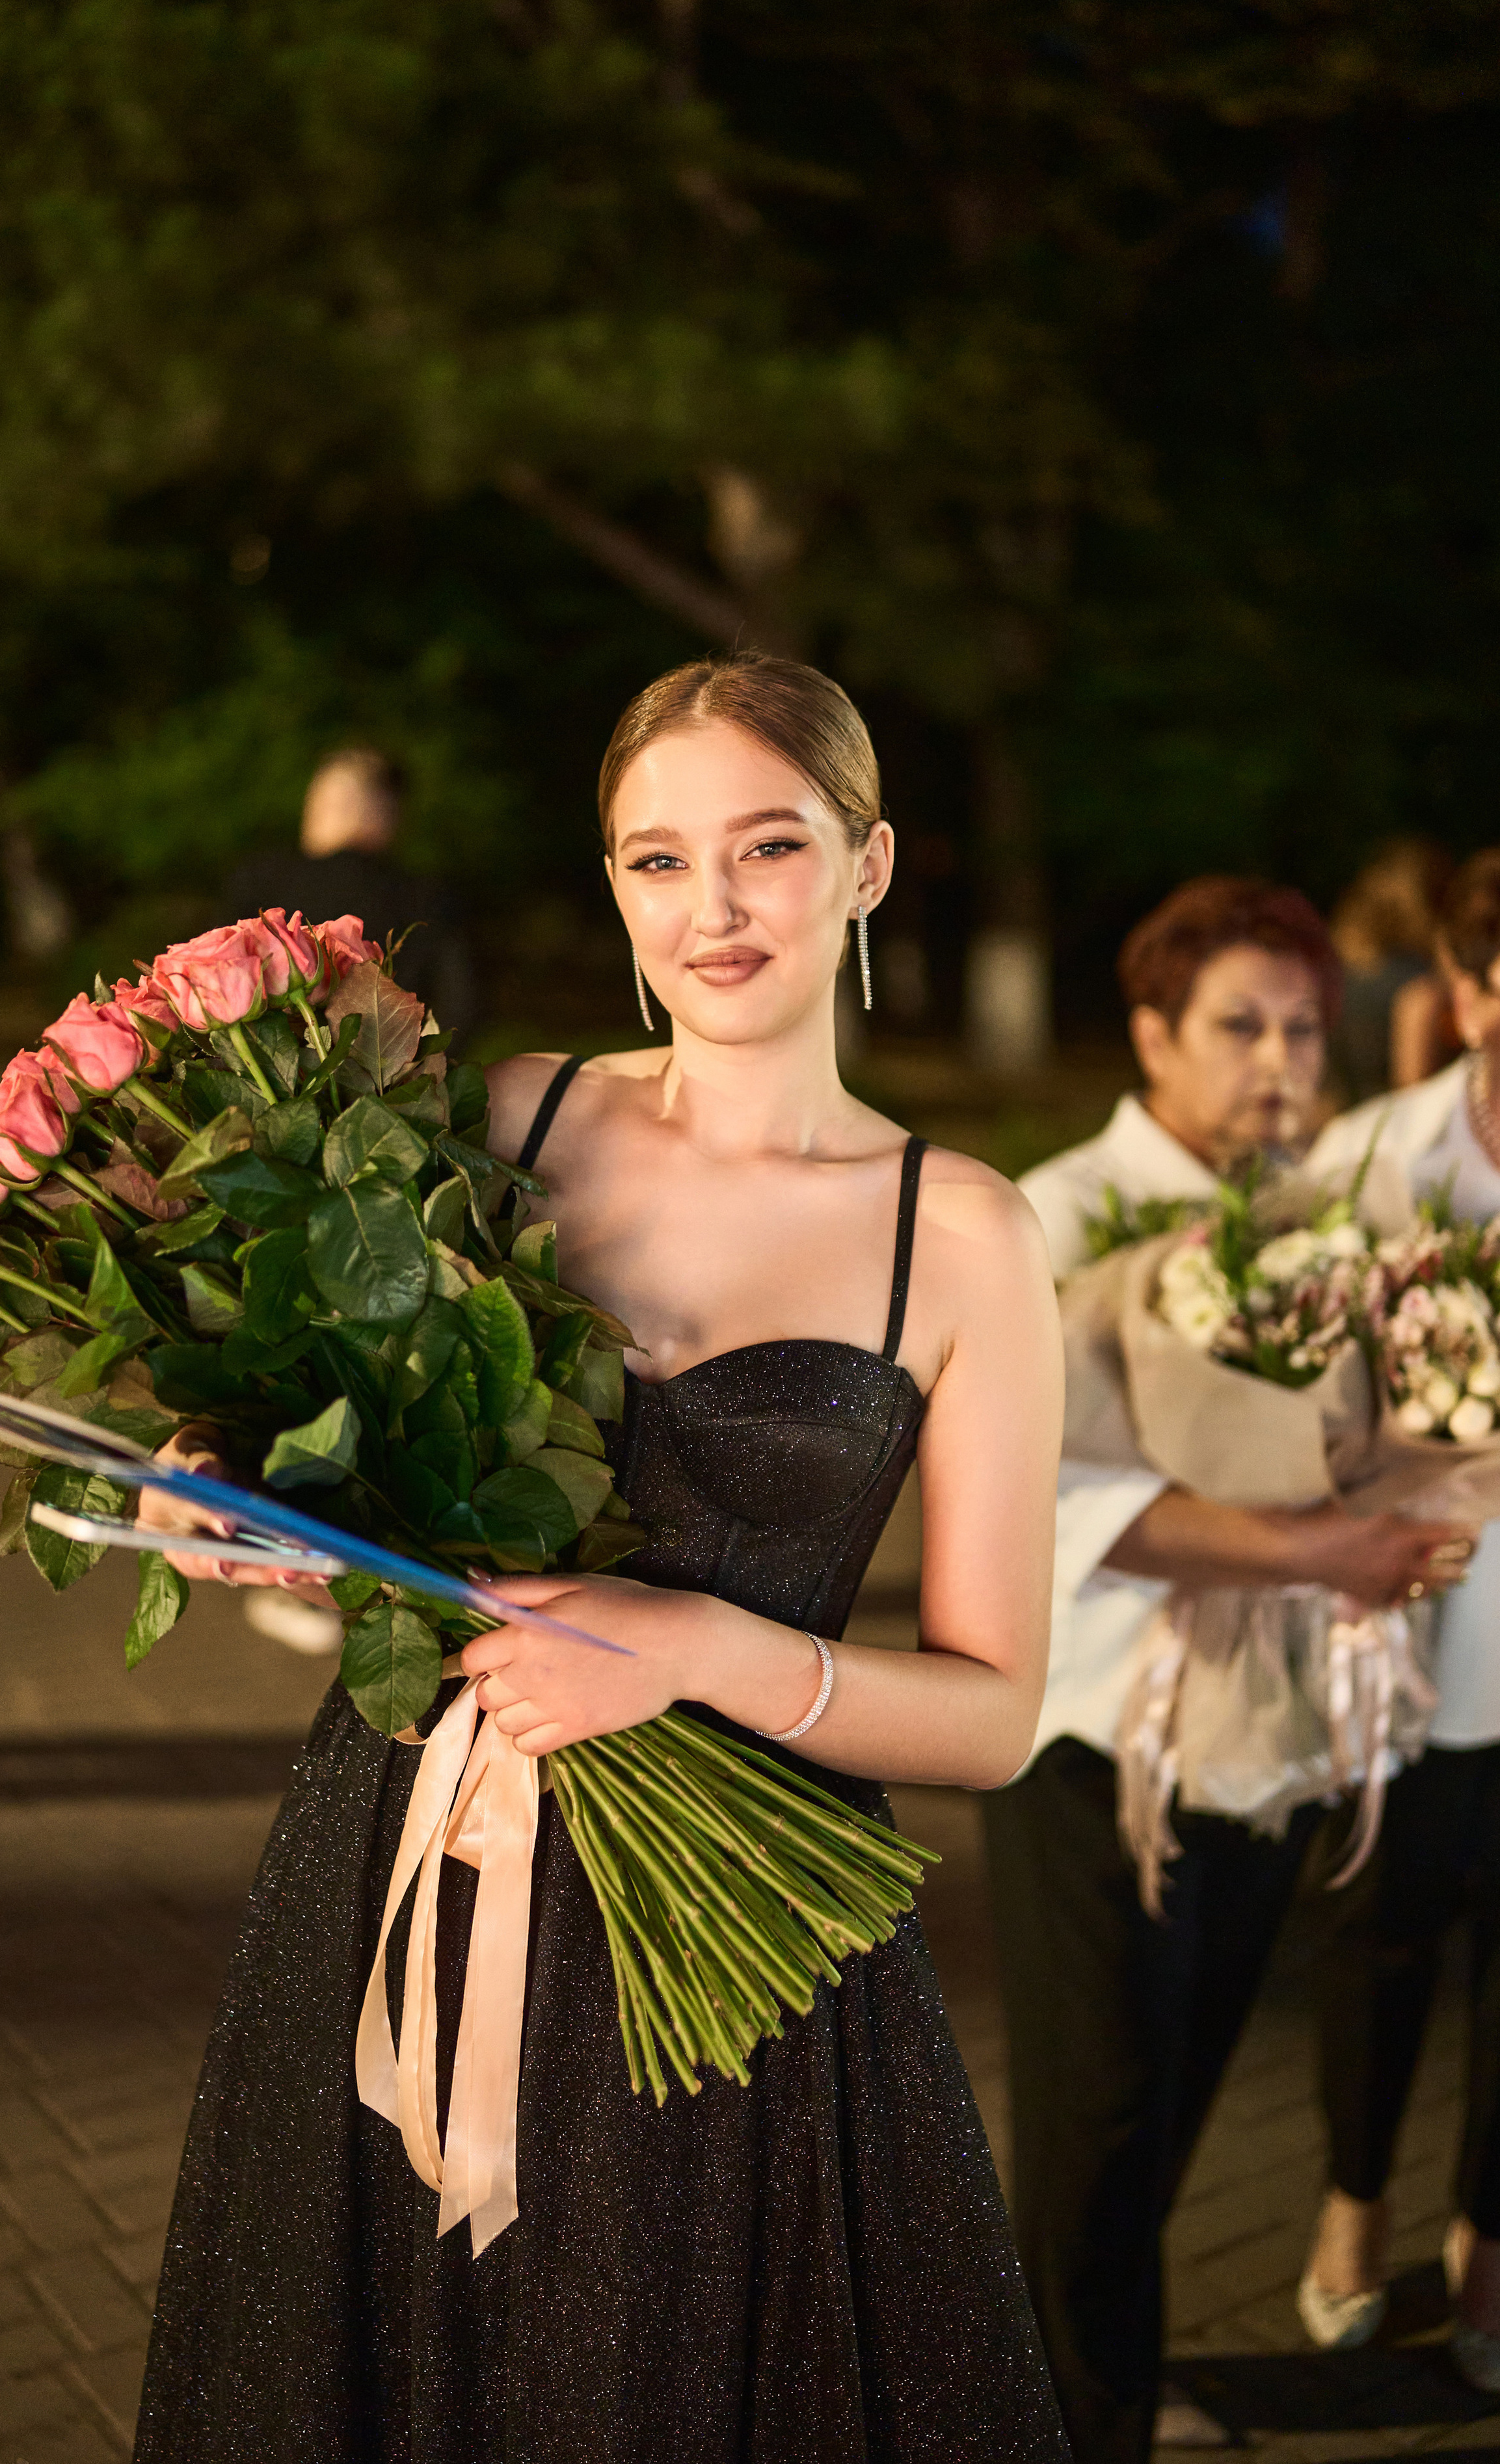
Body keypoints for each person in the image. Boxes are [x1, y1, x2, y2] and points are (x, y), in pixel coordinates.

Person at [131, 654, 1072, 2461]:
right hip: (404, 1857)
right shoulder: (515, 1121)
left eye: (768, 848)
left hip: (716, 1993)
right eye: (657, 861)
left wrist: (694, 1654)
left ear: (869, 867)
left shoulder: (957, 1233)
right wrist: (238, 1481)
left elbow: (998, 1713)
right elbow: (362, 1478)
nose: (710, 910)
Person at [989, 875, 1465, 2464]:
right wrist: (1314, 1552)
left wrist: (1417, 1491)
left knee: (1181, 2083)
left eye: (1301, 1029)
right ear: (1149, 1034)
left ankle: (1097, 2371)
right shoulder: (1049, 1215)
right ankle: (1067, 2412)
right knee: (1096, 2107)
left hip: (1263, 1729)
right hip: (1085, 1734)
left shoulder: (1325, 1220)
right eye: (1237, 1025)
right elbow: (1045, 1502)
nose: (1276, 1060)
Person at [1298, 847, 1500, 2386]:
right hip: (1411, 1625)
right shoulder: (1375, 1158)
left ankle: (1483, 2239)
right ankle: (1349, 2205)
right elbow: (1284, 1393)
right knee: (1377, 1936)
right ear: (1468, 988)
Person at [225, 746, 475, 1658]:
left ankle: (291, 1562)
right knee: (382, 1348)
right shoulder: (430, 894)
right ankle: (384, 1555)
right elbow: (459, 1018)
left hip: (270, 1161)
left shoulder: (257, 886)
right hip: (391, 1158)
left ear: (327, 804)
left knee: (280, 1343)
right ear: (384, 815)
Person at [222, 746, 474, 1034]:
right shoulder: (431, 896)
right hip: (394, 1068)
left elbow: (220, 978)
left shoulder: (261, 879)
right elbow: (460, 1008)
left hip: (267, 1068)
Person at [1328, 836, 1456, 1101]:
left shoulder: (1333, 970)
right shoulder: (1417, 987)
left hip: (1335, 1126)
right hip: (1386, 1131)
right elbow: (1412, 1094)